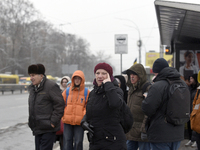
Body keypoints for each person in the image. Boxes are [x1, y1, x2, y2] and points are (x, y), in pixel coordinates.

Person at [81, 62, 127, 150]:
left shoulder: (116, 90)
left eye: (104, 73)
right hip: (96, 139)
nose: (100, 76)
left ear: (109, 76)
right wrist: (84, 121)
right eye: (97, 73)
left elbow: (115, 104)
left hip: (113, 140)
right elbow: (92, 110)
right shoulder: (93, 93)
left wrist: (108, 85)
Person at [142, 58, 184, 150]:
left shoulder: (157, 86)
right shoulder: (182, 84)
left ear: (157, 72)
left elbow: (148, 109)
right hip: (178, 133)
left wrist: (146, 99)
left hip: (160, 134)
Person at [28, 64, 65, 150]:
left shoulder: (51, 86)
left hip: (48, 128)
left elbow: (60, 105)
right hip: (37, 128)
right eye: (30, 75)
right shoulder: (33, 88)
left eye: (33, 75)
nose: (31, 78)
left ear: (41, 76)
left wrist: (53, 122)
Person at [124, 63, 151, 150]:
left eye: (134, 74)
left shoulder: (147, 88)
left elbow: (149, 111)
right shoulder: (131, 89)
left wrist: (144, 130)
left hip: (142, 132)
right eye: (130, 74)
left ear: (140, 75)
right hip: (131, 131)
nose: (132, 76)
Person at [62, 70, 90, 150]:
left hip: (79, 123)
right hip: (67, 121)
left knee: (78, 142)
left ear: (82, 80)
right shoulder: (67, 91)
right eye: (75, 78)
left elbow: (88, 107)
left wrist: (83, 116)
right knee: (67, 142)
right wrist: (63, 115)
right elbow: (60, 104)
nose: (77, 80)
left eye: (79, 78)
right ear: (73, 79)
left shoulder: (86, 92)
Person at [55, 76, 71, 150]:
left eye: (66, 82)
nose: (64, 83)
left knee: (65, 139)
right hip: (60, 117)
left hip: (68, 117)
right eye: (63, 82)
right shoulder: (57, 92)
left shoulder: (71, 92)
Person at [185, 74, 198, 148]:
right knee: (189, 125)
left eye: (192, 78)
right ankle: (191, 139)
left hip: (195, 110)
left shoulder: (197, 89)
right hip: (189, 109)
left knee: (195, 126)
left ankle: (195, 140)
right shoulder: (189, 88)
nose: (190, 80)